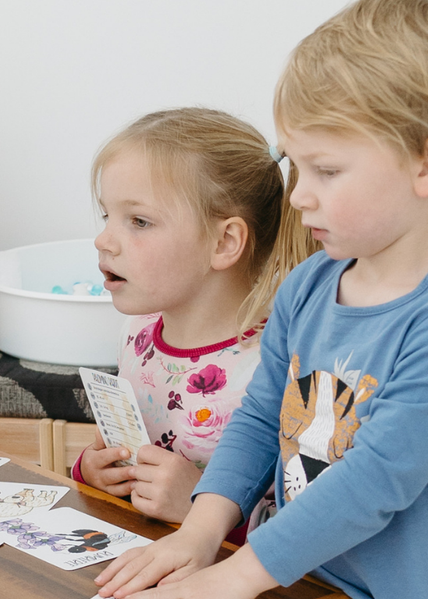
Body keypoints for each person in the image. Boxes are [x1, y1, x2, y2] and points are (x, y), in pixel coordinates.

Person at [96, 0, 428, 599]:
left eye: (327, 170)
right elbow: (260, 419)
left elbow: (373, 483)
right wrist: (199, 531)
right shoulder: (310, 286)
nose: (298, 196)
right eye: (297, 166)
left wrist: (230, 579)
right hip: (299, 578)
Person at [73, 108, 316, 535]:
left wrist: (199, 509)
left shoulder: (276, 364)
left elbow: (308, 531)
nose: (103, 240)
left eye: (139, 221)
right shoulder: (138, 332)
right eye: (107, 216)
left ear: (224, 242)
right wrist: (93, 470)